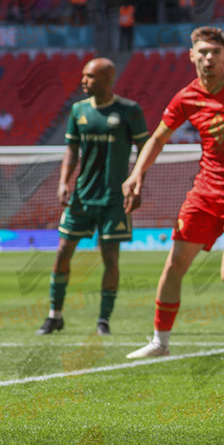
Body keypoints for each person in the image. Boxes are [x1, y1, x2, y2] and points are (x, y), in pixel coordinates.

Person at [125, 26, 224, 359]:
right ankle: (160, 342)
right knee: (174, 264)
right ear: (192, 55)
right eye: (203, 52)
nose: (209, 57)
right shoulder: (187, 97)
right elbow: (157, 139)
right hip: (205, 193)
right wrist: (137, 174)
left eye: (215, 52)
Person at [36, 58, 148, 335]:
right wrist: (63, 182)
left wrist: (137, 184)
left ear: (107, 78)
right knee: (62, 253)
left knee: (110, 258)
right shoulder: (78, 110)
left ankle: (103, 321)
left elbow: (147, 149)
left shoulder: (129, 111)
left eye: (89, 76)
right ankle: (55, 316)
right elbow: (72, 150)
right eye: (83, 76)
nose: (83, 81)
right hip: (81, 197)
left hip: (114, 200)